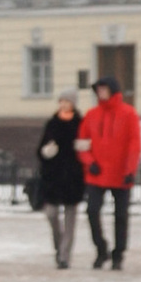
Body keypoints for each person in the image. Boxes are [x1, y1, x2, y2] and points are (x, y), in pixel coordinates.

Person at [79, 73, 141, 270]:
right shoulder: (92, 114)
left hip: (120, 174)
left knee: (121, 216)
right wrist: (89, 161)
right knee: (92, 211)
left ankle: (118, 254)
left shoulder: (129, 114)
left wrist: (130, 170)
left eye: (104, 89)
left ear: (113, 91)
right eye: (98, 90)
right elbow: (82, 143)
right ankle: (101, 248)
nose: (100, 93)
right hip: (97, 173)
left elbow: (134, 144)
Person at [32, 92, 87, 269]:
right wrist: (46, 152)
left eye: (67, 101)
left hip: (73, 177)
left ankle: (64, 256)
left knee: (71, 220)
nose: (63, 105)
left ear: (73, 104)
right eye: (61, 101)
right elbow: (40, 150)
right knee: (51, 214)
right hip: (53, 178)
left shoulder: (80, 123)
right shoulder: (52, 123)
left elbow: (86, 146)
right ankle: (59, 245)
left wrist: (84, 148)